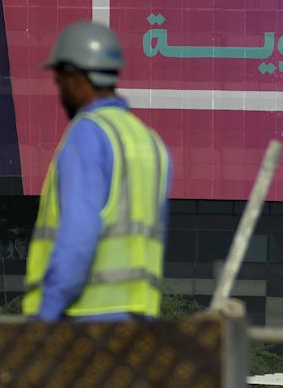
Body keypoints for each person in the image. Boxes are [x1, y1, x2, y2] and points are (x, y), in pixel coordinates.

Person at [24, 22, 173, 321]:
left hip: (84, 320)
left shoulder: (87, 134)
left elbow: (80, 231)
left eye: (60, 82)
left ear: (76, 77)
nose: (61, 92)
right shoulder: (150, 142)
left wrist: (45, 313)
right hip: (140, 320)